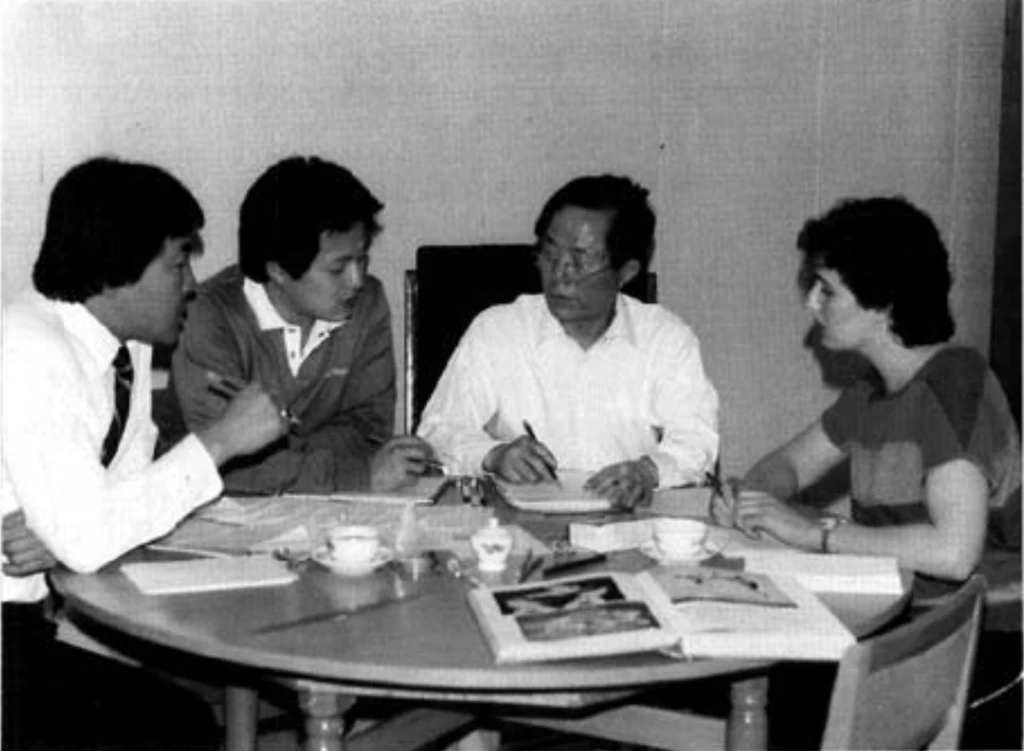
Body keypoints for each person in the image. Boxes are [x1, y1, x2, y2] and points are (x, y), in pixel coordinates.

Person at [1, 157, 289, 750]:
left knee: (170, 716)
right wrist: (220, 442)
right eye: (179, 262)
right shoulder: (28, 347)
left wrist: (69, 531)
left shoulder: (125, 347)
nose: (191, 285)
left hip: (30, 621)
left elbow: (120, 500)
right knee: (172, 725)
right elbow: (89, 535)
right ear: (115, 271)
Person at [711, 196, 1021, 600]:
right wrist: (752, 502)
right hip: (907, 608)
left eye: (827, 291)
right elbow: (787, 464)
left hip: (983, 631)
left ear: (883, 305)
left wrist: (812, 533)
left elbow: (954, 553)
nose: (812, 303)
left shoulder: (955, 382)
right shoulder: (872, 392)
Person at [417, 174, 719, 509]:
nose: (559, 274)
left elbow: (697, 442)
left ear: (627, 271)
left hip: (632, 523)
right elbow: (438, 431)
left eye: (580, 260)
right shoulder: (498, 330)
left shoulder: (665, 338)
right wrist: (494, 455)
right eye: (549, 254)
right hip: (516, 528)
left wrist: (648, 472)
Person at [170, 156, 435, 495]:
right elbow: (224, 461)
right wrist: (356, 476)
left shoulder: (367, 303)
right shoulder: (206, 315)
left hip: (324, 507)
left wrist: (286, 452)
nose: (357, 280)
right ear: (278, 270)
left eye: (362, 258)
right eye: (338, 268)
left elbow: (369, 430)